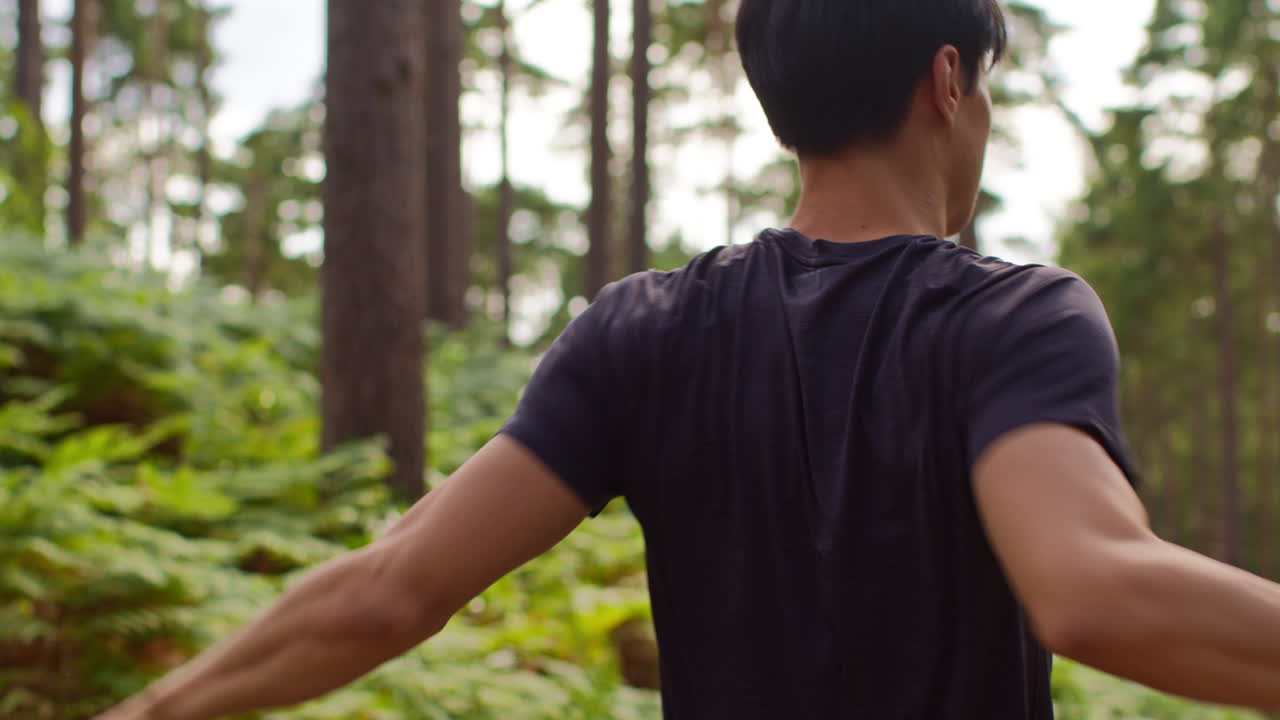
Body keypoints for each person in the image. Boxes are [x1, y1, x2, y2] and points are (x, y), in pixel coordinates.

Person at [99, 1, 1280, 718]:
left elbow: (389, 585)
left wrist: (159, 708)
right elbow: (1089, 589)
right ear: (947, 80)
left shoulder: (643, 329)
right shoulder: (1014, 318)